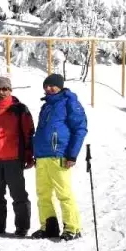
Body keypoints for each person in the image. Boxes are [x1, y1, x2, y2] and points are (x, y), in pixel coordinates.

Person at [31, 73, 88, 240]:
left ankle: (73, 228)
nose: (48, 88)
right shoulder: (46, 105)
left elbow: (80, 129)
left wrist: (72, 154)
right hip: (42, 156)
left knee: (64, 193)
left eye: (52, 85)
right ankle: (48, 226)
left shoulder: (70, 102)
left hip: (59, 155)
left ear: (60, 86)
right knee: (43, 194)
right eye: (46, 86)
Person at [0, 76, 34, 236]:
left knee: (18, 194)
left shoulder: (20, 109)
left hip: (14, 159)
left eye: (5, 89)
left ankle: (22, 227)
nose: (1, 92)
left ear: (10, 90)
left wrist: (29, 155)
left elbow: (29, 133)